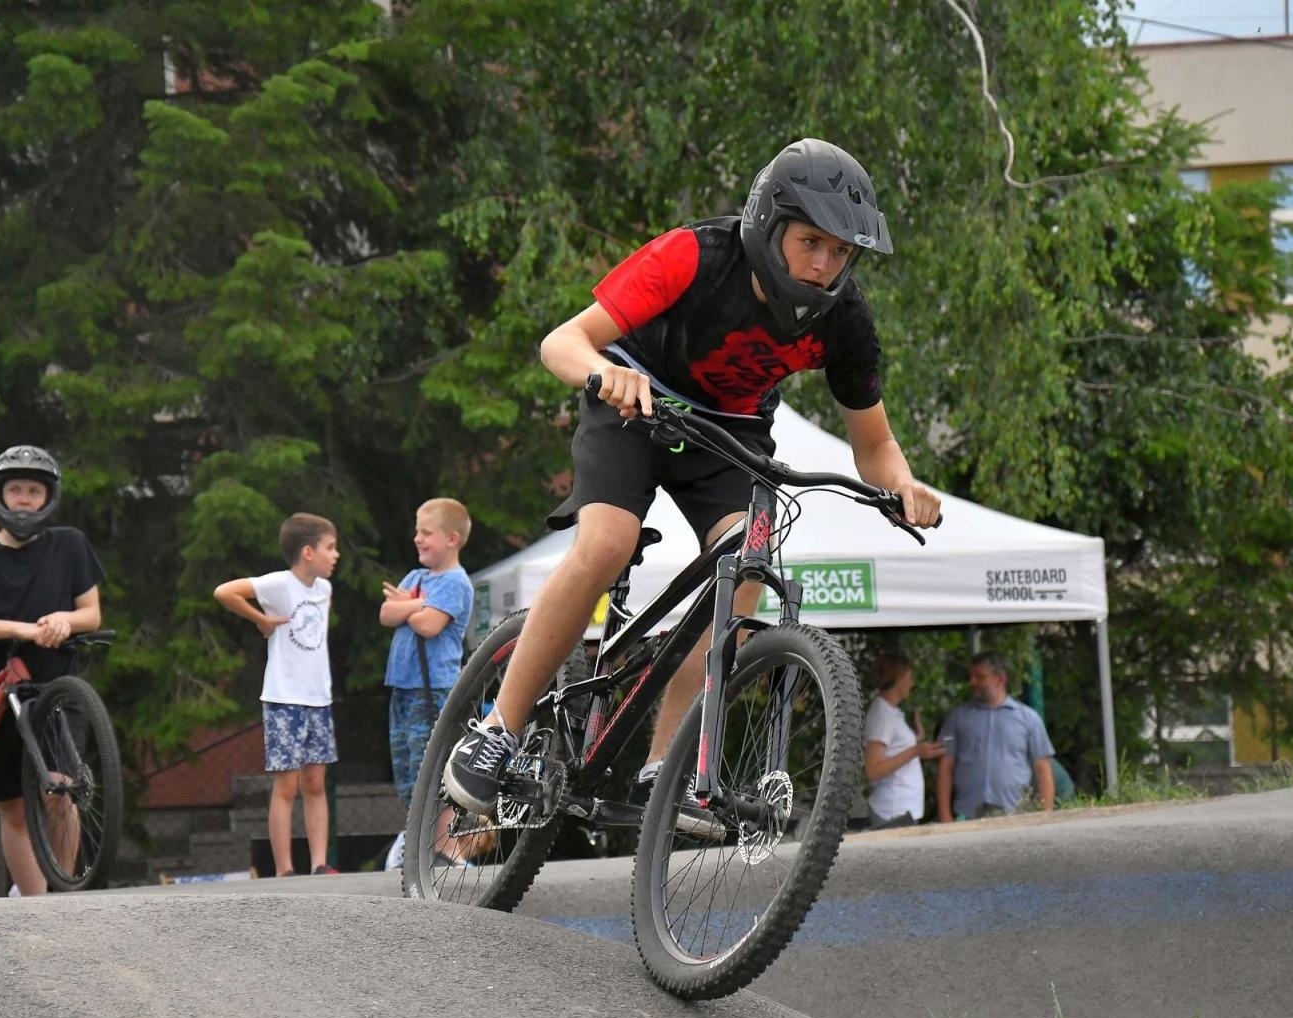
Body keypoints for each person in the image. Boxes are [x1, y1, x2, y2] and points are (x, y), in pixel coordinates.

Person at [445, 137, 943, 816]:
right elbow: (561, 341)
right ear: (770, 224)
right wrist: (604, 373)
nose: (825, 265)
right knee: (607, 542)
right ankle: (496, 732)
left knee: (746, 562)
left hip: (728, 434)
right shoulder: (696, 255)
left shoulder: (844, 319)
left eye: (841, 252)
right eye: (810, 243)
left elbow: (875, 442)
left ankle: (665, 768)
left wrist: (904, 485)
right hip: (634, 401)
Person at [0, 445, 106, 898]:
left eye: (34, 490)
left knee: (62, 793)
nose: (25, 499)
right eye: (16, 490)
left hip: (56, 686)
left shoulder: (70, 544)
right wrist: (20, 629)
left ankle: (62, 898)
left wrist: (65, 620)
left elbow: (91, 613)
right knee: (11, 805)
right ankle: (34, 905)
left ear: (49, 496)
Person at [214, 514, 341, 876]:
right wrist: (260, 619)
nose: (335, 555)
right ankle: (284, 868)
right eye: (329, 548)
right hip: (286, 698)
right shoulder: (280, 585)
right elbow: (225, 592)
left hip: (319, 697)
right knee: (287, 785)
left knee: (316, 783)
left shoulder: (324, 590)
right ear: (307, 552)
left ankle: (319, 862)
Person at [379, 498, 474, 871]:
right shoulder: (417, 580)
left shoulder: (454, 582)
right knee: (407, 771)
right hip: (403, 688)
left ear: (451, 539)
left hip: (432, 689)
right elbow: (387, 614)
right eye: (417, 531)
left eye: (426, 533)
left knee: (430, 768)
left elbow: (429, 625)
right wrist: (415, 604)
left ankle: (446, 848)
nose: (417, 539)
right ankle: (421, 845)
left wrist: (410, 607)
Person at [936, 651, 1056, 822]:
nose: (972, 682)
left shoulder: (1029, 719)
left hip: (1014, 815)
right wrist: (945, 816)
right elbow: (945, 767)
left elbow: (1043, 769)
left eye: (980, 677)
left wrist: (1046, 815)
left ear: (1000, 680)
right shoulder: (958, 718)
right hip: (967, 815)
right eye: (971, 676)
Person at [863, 652, 945, 828]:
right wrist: (915, 751)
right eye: (909, 676)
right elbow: (873, 769)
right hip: (892, 811)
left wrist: (916, 739)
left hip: (902, 810)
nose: (912, 683)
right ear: (898, 678)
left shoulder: (891, 712)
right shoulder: (882, 715)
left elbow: (892, 747)